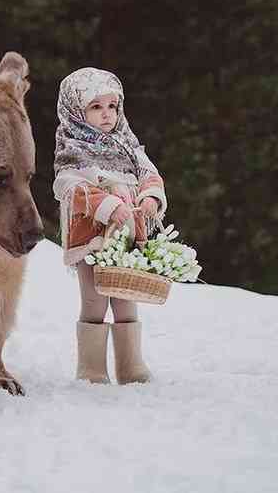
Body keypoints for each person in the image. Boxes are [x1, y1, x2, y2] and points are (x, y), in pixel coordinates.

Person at [53, 67, 167, 385]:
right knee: (94, 299)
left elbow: (150, 175)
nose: (107, 115)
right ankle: (91, 368)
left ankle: (131, 365)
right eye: (96, 107)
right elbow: (68, 188)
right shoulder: (74, 152)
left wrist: (150, 199)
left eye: (112, 106)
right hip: (93, 241)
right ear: (76, 111)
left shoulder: (128, 147)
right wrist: (109, 206)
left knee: (125, 297)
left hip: (128, 241)